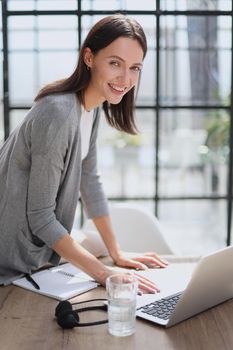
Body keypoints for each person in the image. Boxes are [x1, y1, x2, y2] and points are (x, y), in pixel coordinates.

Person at [0, 14, 168, 293]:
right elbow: (40, 217)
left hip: (33, 239)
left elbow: (89, 180)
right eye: (115, 63)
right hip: (10, 246)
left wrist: (117, 254)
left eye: (135, 67)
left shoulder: (90, 107)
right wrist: (105, 274)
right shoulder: (58, 113)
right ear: (89, 58)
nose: (125, 79)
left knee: (99, 246)